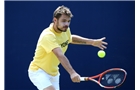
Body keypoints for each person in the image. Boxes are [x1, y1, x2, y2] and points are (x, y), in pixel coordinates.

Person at [28, 5, 108, 90]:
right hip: (38, 71)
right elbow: (60, 55)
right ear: (55, 20)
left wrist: (91, 42)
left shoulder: (65, 30)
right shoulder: (48, 36)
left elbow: (69, 38)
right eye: (63, 21)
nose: (66, 24)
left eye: (68, 21)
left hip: (54, 73)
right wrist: (72, 72)